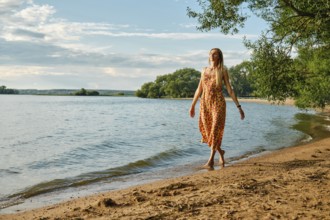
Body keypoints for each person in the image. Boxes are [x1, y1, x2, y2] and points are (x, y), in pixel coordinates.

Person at [189, 48, 245, 169]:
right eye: (211, 54)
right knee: (208, 132)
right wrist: (192, 105)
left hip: (218, 103)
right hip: (204, 103)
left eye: (215, 54)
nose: (212, 56)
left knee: (214, 130)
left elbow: (230, 89)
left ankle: (210, 161)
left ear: (219, 57)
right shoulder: (204, 70)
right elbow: (199, 89)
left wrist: (239, 107)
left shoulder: (222, 70)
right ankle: (221, 152)